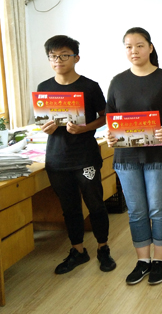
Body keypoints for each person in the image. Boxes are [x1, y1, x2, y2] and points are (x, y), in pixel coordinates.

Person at [106, 27, 162, 285]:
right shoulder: (117, 81)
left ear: (150, 47)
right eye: (128, 46)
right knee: (136, 211)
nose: (134, 51)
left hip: (161, 155)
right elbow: (112, 118)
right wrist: (111, 136)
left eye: (139, 45)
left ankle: (159, 261)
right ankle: (143, 261)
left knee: (158, 208)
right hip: (127, 158)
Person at [38, 35, 116, 275]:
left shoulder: (89, 86)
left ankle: (103, 248)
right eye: (53, 56)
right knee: (69, 207)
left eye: (64, 55)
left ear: (76, 58)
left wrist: (85, 128)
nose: (58, 60)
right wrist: (46, 128)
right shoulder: (44, 87)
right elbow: (42, 121)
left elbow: (104, 116)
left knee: (95, 204)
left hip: (85, 157)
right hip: (57, 158)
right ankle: (78, 250)